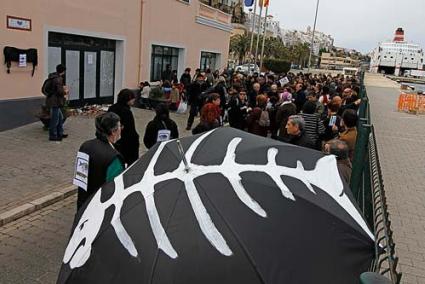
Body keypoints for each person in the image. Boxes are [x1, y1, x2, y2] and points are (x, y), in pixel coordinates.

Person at [75, 112, 125, 209]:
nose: (121, 129)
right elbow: (114, 188)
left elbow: (81, 179)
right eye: (120, 126)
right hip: (101, 209)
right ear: (113, 131)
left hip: (83, 204)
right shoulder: (113, 157)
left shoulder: (85, 146)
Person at [108, 89, 140, 166]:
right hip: (126, 143)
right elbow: (130, 130)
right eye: (132, 98)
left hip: (113, 140)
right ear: (127, 99)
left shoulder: (112, 108)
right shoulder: (126, 112)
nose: (134, 100)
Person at [46, 64, 68, 141]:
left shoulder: (53, 76)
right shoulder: (58, 79)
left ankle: (60, 133)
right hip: (55, 101)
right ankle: (53, 136)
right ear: (63, 71)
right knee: (55, 120)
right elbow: (59, 91)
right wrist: (65, 92)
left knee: (60, 117)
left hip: (53, 100)